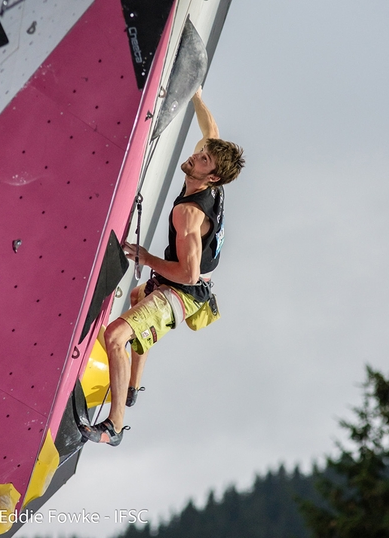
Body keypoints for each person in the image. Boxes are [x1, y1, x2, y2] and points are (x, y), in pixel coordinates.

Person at [79, 87, 244, 446]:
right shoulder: (211, 173)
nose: (197, 156)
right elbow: (211, 128)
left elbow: (186, 273)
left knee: (116, 336)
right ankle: (133, 386)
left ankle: (115, 426)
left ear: (212, 177)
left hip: (183, 291)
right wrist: (197, 93)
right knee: (140, 296)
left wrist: (146, 257)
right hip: (187, 283)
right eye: (201, 152)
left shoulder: (188, 212)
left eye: (203, 160)